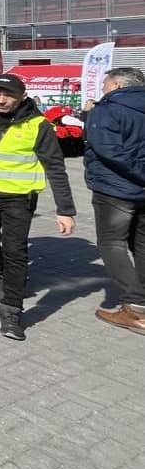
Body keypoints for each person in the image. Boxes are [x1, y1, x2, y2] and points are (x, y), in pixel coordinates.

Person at [0, 73, 76, 341]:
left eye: (8, 95)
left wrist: (65, 209)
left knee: (15, 251)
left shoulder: (38, 125)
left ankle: (11, 310)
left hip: (19, 198)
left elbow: (55, 167)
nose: (1, 99)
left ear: (22, 97)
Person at [82, 67, 145, 334]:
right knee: (141, 244)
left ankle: (136, 307)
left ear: (117, 85)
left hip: (116, 189)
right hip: (140, 190)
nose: (103, 88)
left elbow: (109, 151)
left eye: (106, 83)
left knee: (112, 242)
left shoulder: (107, 110)